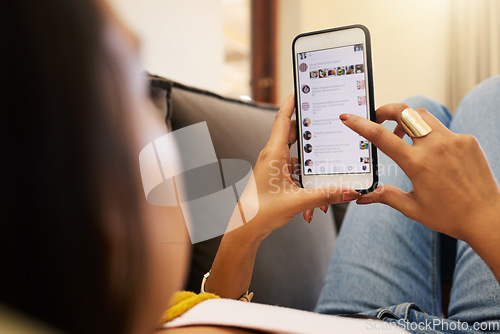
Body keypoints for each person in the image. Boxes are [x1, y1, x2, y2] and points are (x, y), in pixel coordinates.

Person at [1, 1, 498, 334]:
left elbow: (208, 310)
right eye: (133, 85)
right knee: (489, 97)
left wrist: (245, 227)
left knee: (420, 104)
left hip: (351, 317)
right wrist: (485, 219)